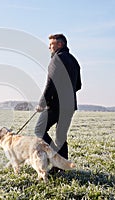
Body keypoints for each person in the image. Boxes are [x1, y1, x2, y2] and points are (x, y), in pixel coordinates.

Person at [35, 34, 82, 175]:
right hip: (70, 105)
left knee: (39, 130)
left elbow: (51, 83)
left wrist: (42, 103)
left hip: (56, 104)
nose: (49, 47)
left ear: (60, 45)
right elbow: (78, 85)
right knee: (61, 136)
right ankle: (61, 167)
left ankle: (55, 158)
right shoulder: (74, 61)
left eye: (51, 44)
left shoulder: (57, 58)